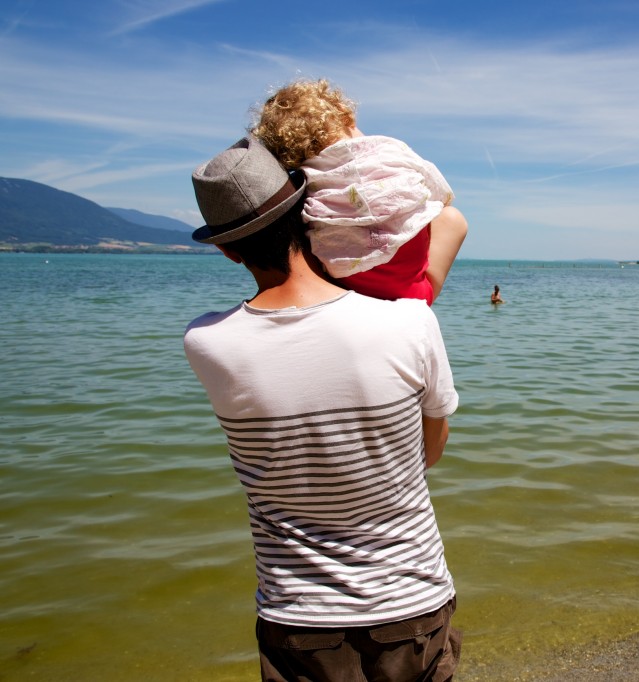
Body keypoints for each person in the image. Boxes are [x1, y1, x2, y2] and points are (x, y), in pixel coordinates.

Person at [183, 137, 462, 682]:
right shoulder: (409, 322)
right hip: (411, 599)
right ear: (306, 215)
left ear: (227, 250)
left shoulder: (206, 342)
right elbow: (430, 451)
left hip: (297, 616)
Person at [250, 78, 467, 305]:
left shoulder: (305, 180)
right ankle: (422, 296)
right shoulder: (389, 149)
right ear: (345, 115)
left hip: (347, 286)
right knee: (452, 218)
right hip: (412, 293)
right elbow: (440, 194)